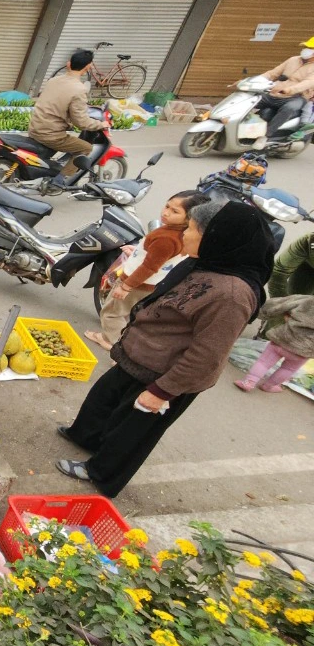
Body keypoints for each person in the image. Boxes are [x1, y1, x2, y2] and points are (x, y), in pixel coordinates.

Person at [57, 200, 275, 497]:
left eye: (192, 230)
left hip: (165, 374)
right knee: (103, 401)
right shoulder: (204, 262)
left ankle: (100, 473)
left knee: (130, 432)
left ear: (215, 238)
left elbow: (207, 356)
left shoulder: (231, 296)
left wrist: (161, 392)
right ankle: (85, 438)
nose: (184, 235)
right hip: (140, 355)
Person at [85, 191, 209, 350]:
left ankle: (115, 345)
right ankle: (114, 339)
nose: (166, 213)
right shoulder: (181, 234)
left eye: (175, 211)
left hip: (136, 283)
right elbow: (161, 258)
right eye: (167, 206)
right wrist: (138, 251)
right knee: (127, 313)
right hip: (150, 284)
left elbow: (149, 267)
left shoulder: (166, 239)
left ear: (189, 218)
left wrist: (126, 287)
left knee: (111, 313)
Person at [29, 48, 106, 190]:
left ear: (68, 64)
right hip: (51, 135)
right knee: (85, 148)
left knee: (72, 141)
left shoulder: (53, 80)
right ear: (88, 67)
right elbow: (81, 122)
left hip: (35, 127)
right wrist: (101, 124)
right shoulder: (79, 89)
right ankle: (59, 181)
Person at [235, 293, 314, 392]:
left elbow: (279, 304)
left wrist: (261, 312)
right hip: (304, 350)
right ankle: (268, 386)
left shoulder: (307, 300)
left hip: (283, 339)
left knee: (263, 363)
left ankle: (249, 382)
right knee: (288, 369)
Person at [257, 37, 314, 140]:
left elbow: (307, 83)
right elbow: (273, 73)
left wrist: (290, 90)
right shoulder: (293, 60)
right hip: (275, 92)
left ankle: (266, 136)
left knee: (289, 108)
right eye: (306, 47)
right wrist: (256, 80)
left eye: (310, 48)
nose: (306, 49)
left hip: (297, 97)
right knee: (252, 99)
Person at [270, 232, 314, 297]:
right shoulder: (307, 243)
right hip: (309, 268)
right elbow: (279, 272)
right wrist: (283, 302)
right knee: (297, 297)